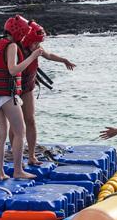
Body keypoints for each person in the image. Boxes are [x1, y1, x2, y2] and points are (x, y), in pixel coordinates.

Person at [0, 15, 43, 181]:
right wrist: (32, 57)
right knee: (20, 132)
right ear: (18, 32)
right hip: (7, 95)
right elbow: (12, 70)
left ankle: (0, 173)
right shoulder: (10, 45)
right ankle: (18, 171)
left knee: (1, 134)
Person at [11, 20, 76, 165]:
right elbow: (12, 68)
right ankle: (14, 154)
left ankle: (32, 155)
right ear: (28, 39)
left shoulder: (37, 47)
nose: (37, 46)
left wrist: (63, 60)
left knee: (31, 120)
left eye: (39, 43)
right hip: (14, 88)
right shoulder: (16, 48)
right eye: (35, 42)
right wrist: (32, 56)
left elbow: (49, 55)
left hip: (28, 88)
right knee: (15, 124)